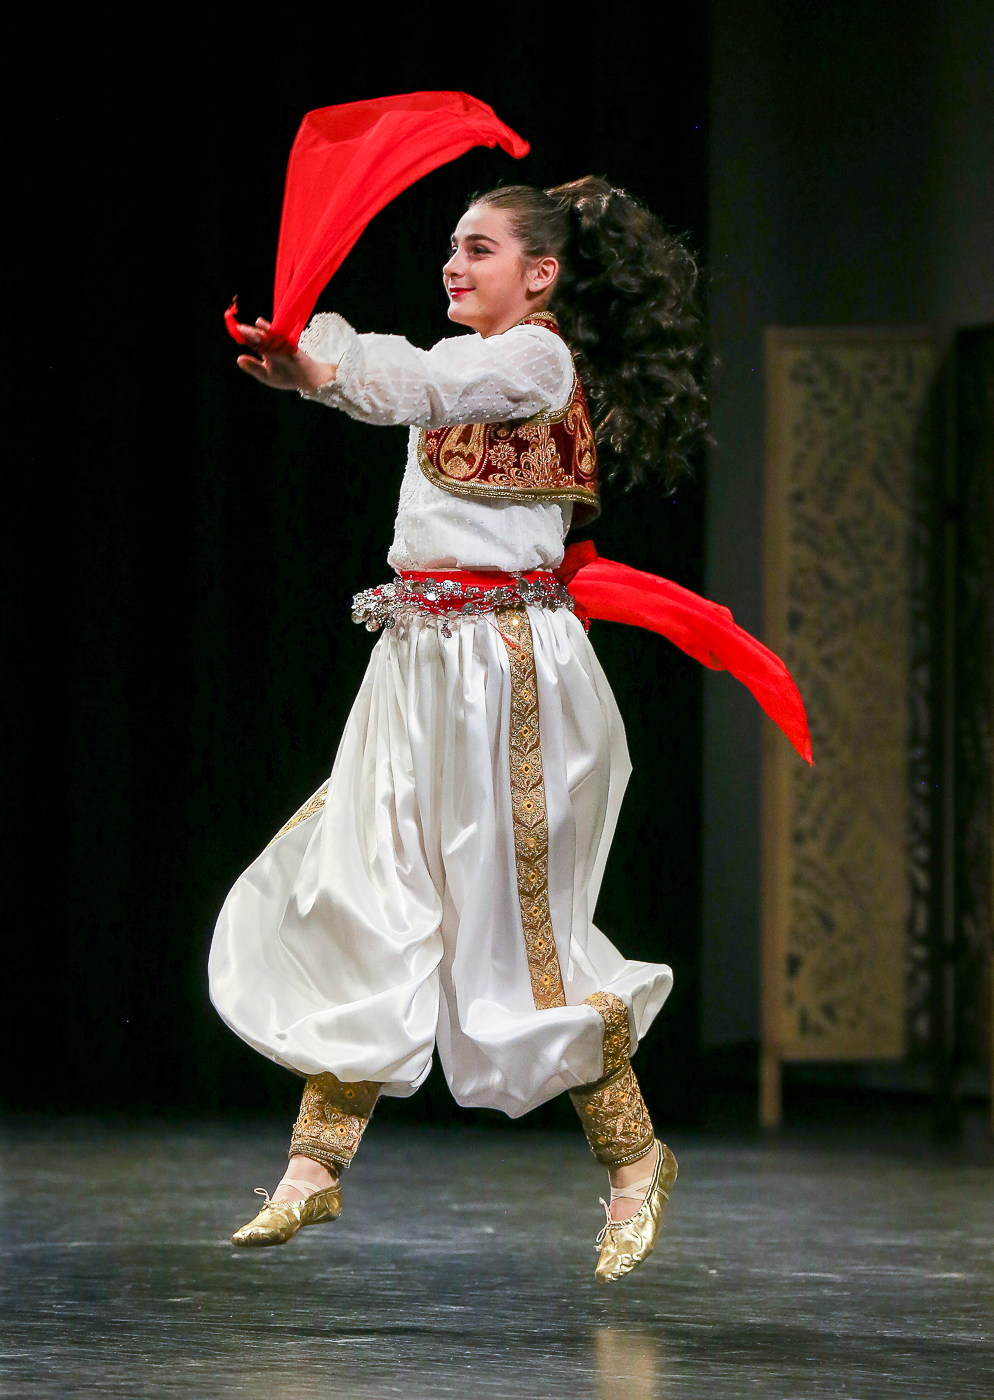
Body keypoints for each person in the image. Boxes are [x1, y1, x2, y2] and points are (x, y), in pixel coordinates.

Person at [209, 177, 710, 1283]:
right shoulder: (466, 358)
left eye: (479, 248)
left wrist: (326, 368)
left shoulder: (534, 361)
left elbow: (426, 385)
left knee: (517, 946)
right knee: (366, 886)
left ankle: (636, 1162)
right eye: (452, 245)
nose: (454, 263)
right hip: (417, 662)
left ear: (541, 274)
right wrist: (306, 355)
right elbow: (394, 374)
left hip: (508, 671)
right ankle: (312, 1165)